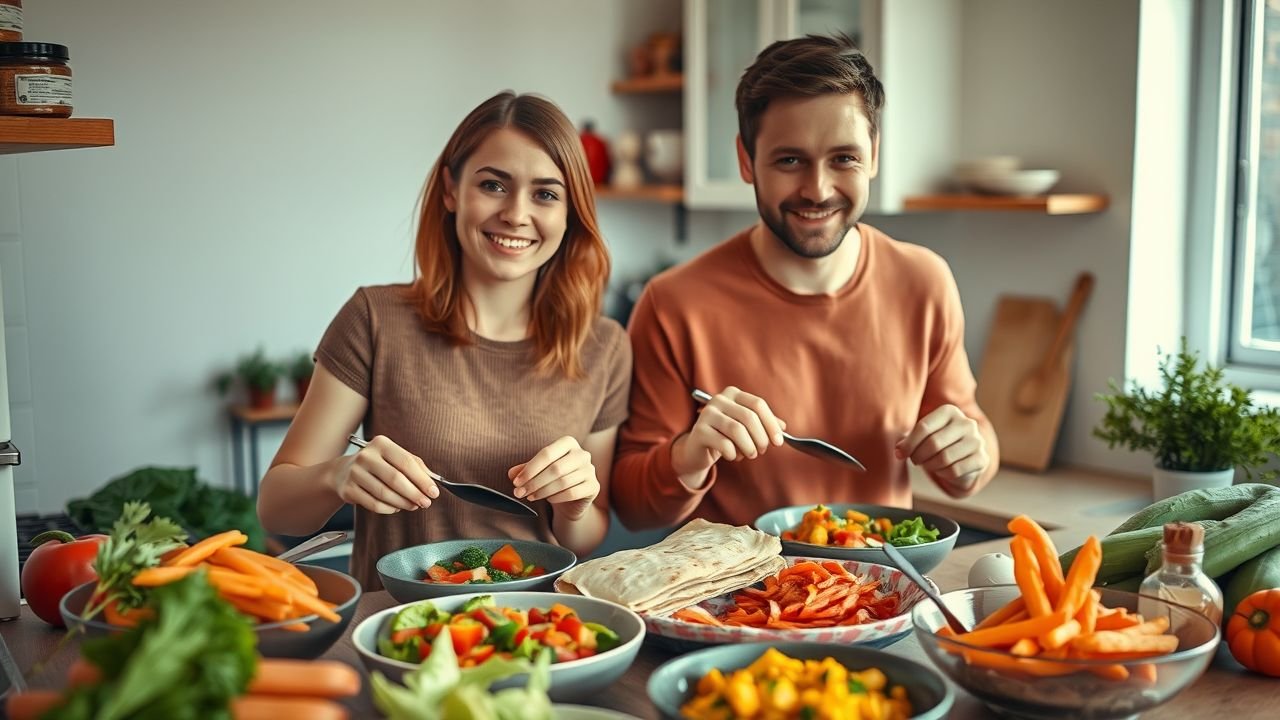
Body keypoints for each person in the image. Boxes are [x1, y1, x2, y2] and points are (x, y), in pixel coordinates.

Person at [611, 34, 999, 531]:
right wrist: (689, 454)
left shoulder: (924, 280)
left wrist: (969, 457)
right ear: (747, 160)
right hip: (734, 600)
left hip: (880, 590)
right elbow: (633, 505)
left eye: (844, 158)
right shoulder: (673, 302)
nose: (817, 189)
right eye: (790, 160)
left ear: (874, 155)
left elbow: (972, 445)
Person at [257, 91, 631, 590]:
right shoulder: (374, 318)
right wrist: (337, 477)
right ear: (452, 191)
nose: (517, 214)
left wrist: (576, 503)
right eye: (494, 185)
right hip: (396, 628)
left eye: (545, 194)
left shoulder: (605, 345)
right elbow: (276, 510)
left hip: (540, 628)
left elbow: (583, 538)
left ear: (570, 214)